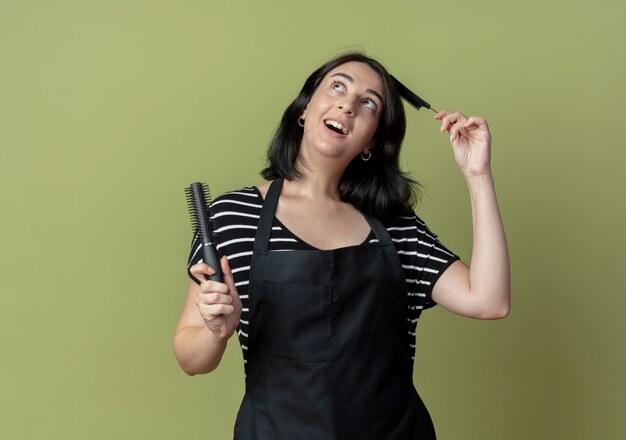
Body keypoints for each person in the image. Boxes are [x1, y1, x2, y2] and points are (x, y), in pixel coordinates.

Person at [173, 52, 510, 439]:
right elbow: (190, 358)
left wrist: (477, 174)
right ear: (304, 109)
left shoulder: (394, 225)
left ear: (372, 140)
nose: (347, 104)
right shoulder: (235, 216)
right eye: (337, 85)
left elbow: (489, 301)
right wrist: (216, 332)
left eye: (369, 103)